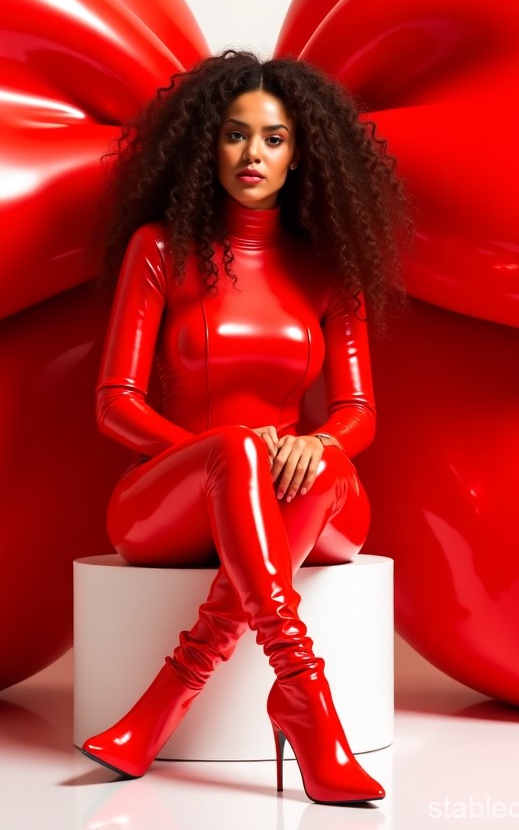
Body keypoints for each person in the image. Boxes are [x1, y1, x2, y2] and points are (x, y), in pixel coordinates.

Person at [79, 50, 406, 805]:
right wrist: (223, 457)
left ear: (300, 156)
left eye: (274, 138)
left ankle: (172, 699)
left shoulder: (329, 266)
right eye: (234, 134)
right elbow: (115, 402)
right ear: (208, 146)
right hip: (168, 501)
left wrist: (318, 443)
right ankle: (304, 695)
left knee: (323, 465)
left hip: (299, 499)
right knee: (237, 448)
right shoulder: (159, 248)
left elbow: (358, 412)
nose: (253, 153)